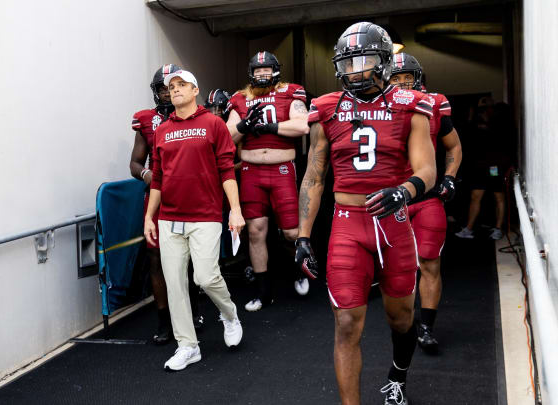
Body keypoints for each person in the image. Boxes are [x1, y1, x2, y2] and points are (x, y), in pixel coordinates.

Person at [296, 22, 436, 405]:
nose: (357, 70)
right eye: (350, 62)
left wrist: (404, 191)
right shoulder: (326, 108)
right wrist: (304, 234)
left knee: (402, 318)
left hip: (393, 222)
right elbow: (314, 174)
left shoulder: (411, 104)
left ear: (385, 61)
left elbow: (427, 168)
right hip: (346, 224)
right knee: (345, 324)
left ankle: (398, 376)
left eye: (366, 59)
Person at [144, 69, 245, 371]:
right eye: (170, 86)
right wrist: (150, 216)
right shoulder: (162, 130)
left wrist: (236, 210)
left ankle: (229, 314)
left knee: (205, 277)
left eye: (181, 85)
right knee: (175, 285)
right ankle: (188, 346)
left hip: (205, 215)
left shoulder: (213, 124)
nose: (174, 90)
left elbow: (227, 170)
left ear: (195, 90)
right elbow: (158, 177)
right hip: (169, 218)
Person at [389, 53, 463, 353]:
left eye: (408, 77)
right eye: (396, 78)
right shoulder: (374, 107)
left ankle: (426, 327)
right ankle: (401, 319)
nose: (403, 83)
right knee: (393, 265)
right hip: (392, 198)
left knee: (429, 261)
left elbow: (454, 145)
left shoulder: (433, 104)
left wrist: (450, 177)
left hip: (427, 196)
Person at [225, 51, 310, 311]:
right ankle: (263, 292)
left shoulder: (291, 92)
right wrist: (244, 128)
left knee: (291, 232)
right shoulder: (240, 98)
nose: (262, 74)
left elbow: (303, 125)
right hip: (251, 171)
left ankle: (298, 270)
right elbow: (226, 138)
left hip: (282, 169)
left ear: (275, 70)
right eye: (258, 70)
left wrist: (272, 128)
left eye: (267, 69)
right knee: (255, 231)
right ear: (251, 73)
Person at [130, 63, 201, 344]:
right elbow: (135, 162)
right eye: (163, 88)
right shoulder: (146, 120)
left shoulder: (200, 116)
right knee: (157, 258)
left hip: (191, 196)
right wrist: (147, 174)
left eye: (175, 86)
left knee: (192, 259)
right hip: (159, 198)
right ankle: (164, 319)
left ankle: (194, 310)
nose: (169, 93)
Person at [455, 97, 511, 240]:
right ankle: (469, 228)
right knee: (476, 197)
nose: (484, 112)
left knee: (498, 195)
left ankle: (498, 228)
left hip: (494, 167)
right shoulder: (474, 124)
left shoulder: (500, 123)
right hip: (480, 166)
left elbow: (504, 143)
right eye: (482, 109)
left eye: (487, 108)